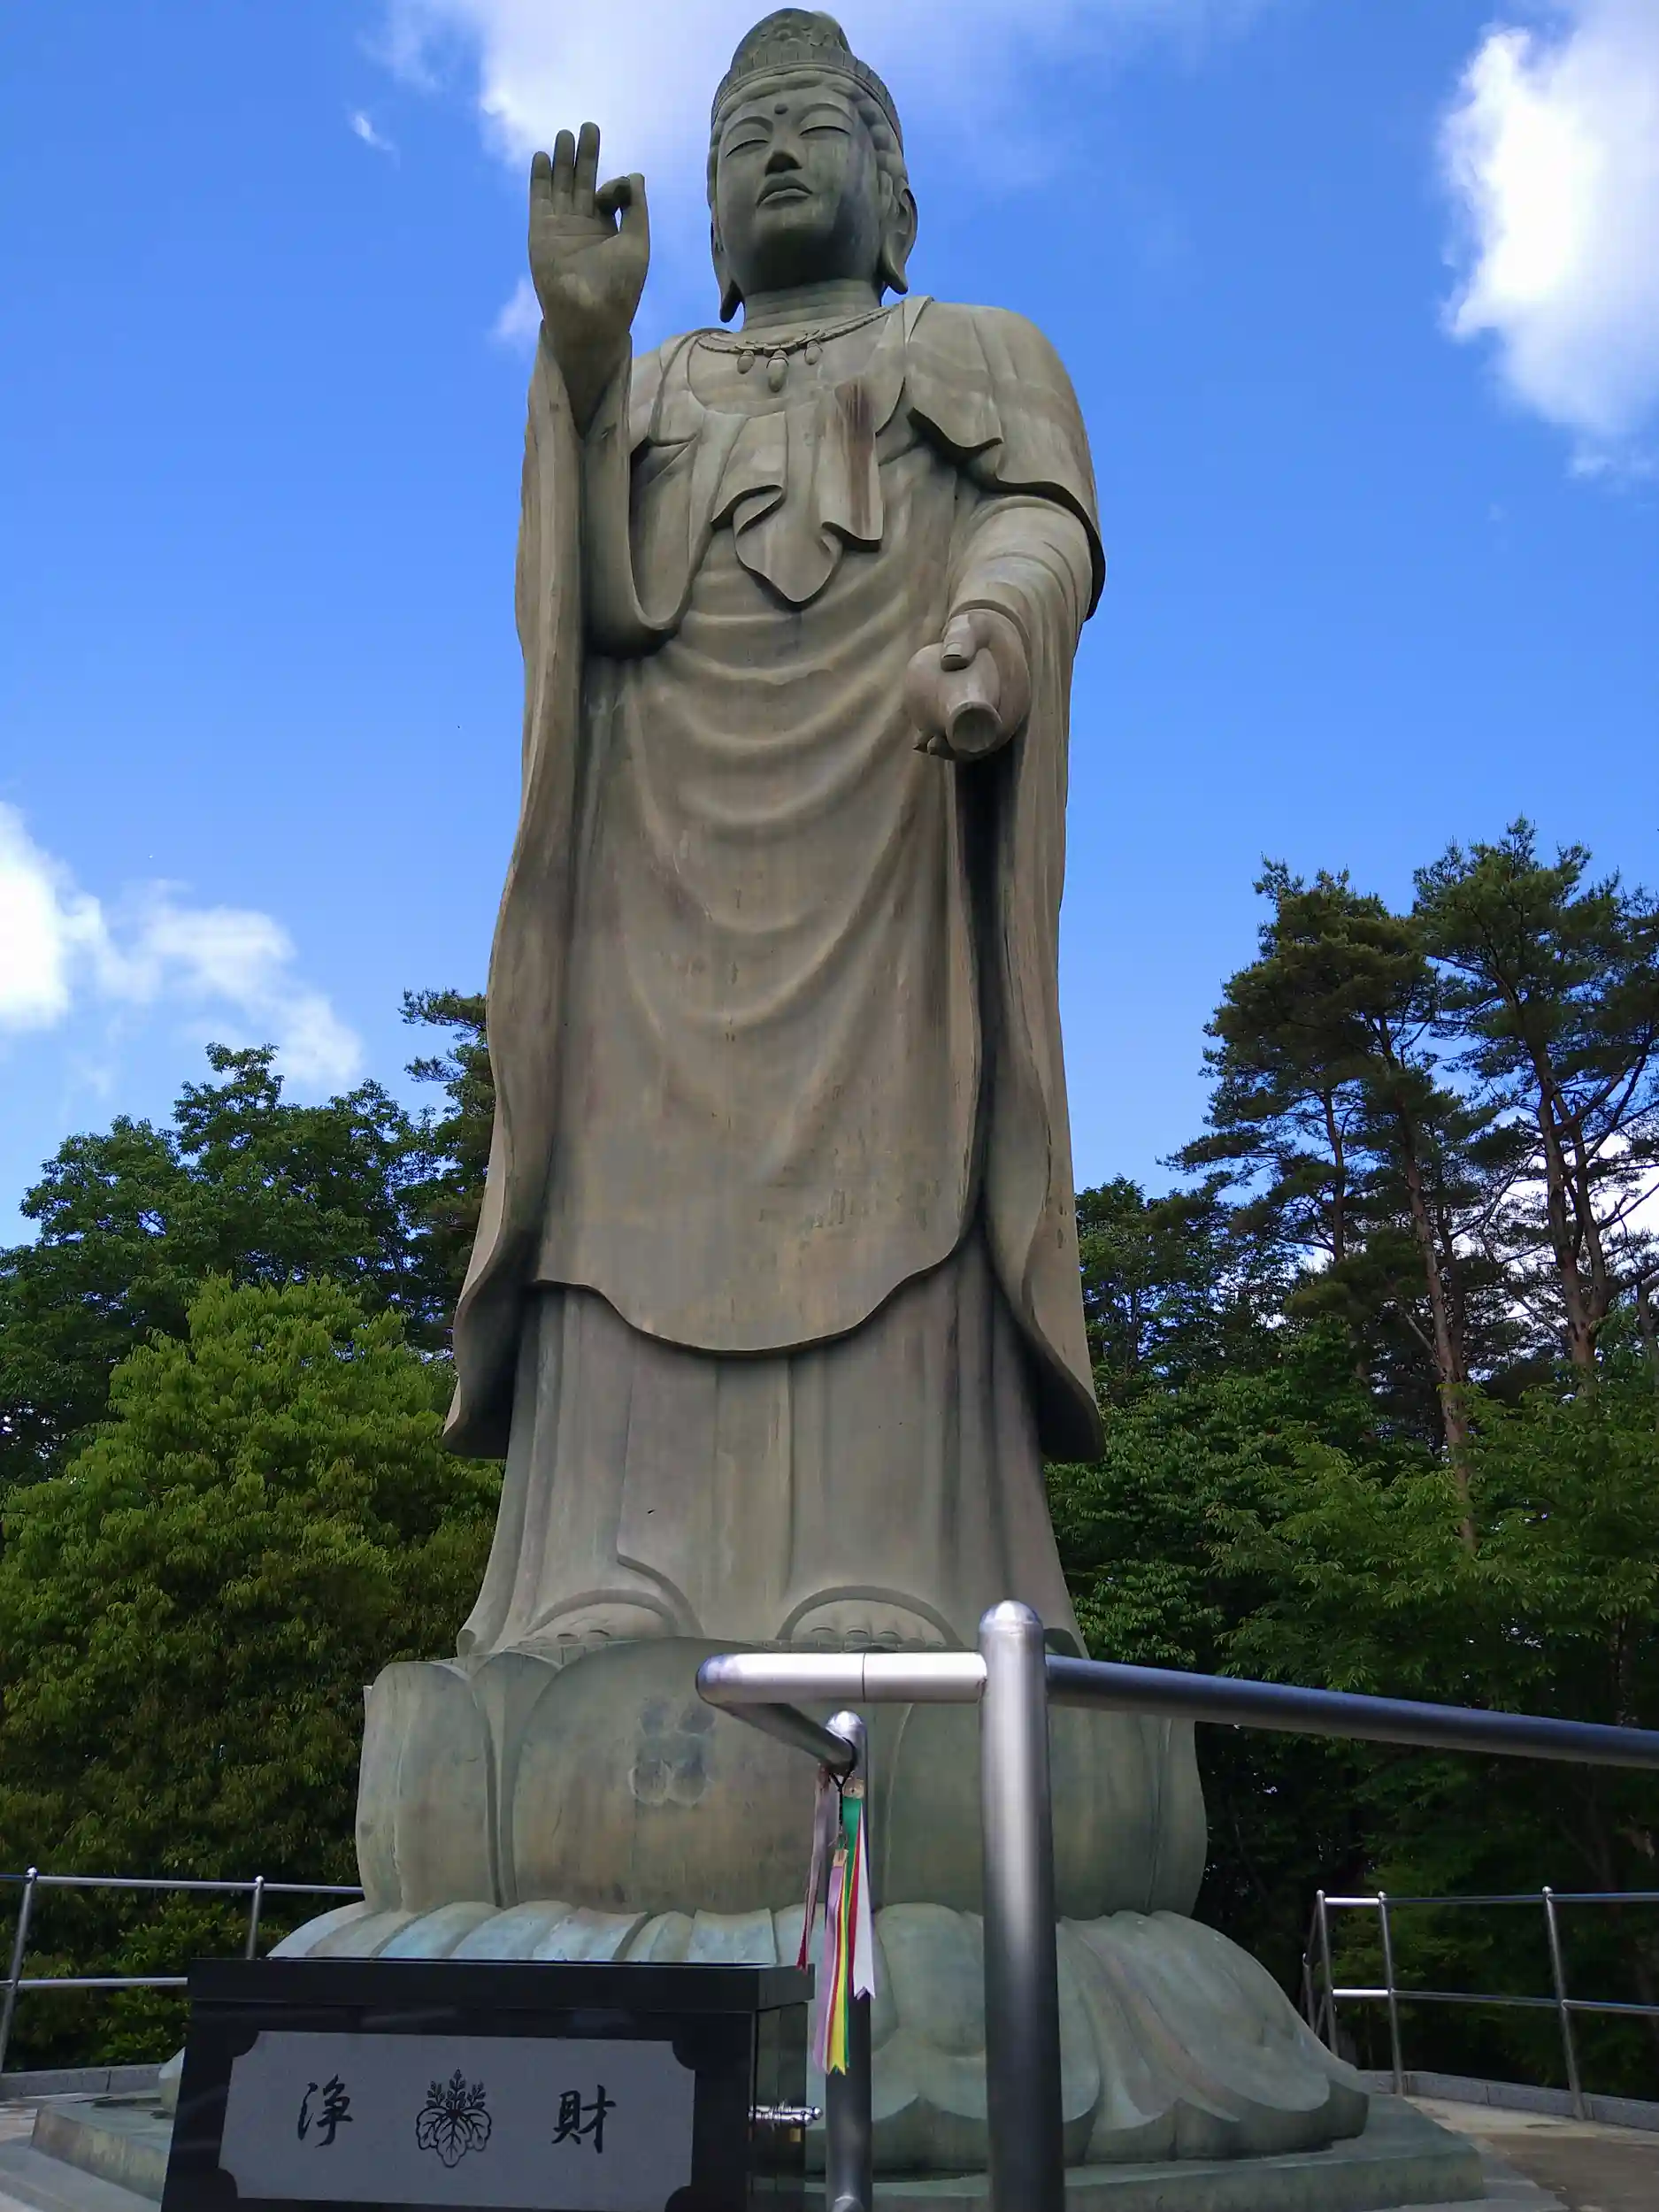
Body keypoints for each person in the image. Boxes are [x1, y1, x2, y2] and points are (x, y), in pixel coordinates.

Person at [449, 9, 1111, 1667]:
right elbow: (587, 605)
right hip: (653, 873)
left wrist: (992, 636)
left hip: (884, 836)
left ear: (897, 196)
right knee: (616, 1178)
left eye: (818, 126)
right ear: (709, 217)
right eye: (744, 140)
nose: (779, 153)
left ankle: (894, 1570)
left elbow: (1042, 524)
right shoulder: (656, 379)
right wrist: (580, 365)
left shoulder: (981, 346)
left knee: (896, 1167)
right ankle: (604, 1572)